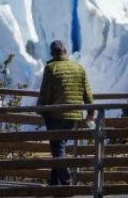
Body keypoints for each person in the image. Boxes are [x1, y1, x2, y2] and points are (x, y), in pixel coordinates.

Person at [37, 40, 95, 185]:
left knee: (58, 148)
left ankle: (67, 181)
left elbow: (45, 94)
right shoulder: (79, 68)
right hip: (74, 116)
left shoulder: (51, 68)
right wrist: (90, 113)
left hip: (55, 115)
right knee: (59, 147)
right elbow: (88, 95)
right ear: (65, 51)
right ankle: (54, 183)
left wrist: (41, 109)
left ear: (52, 53)